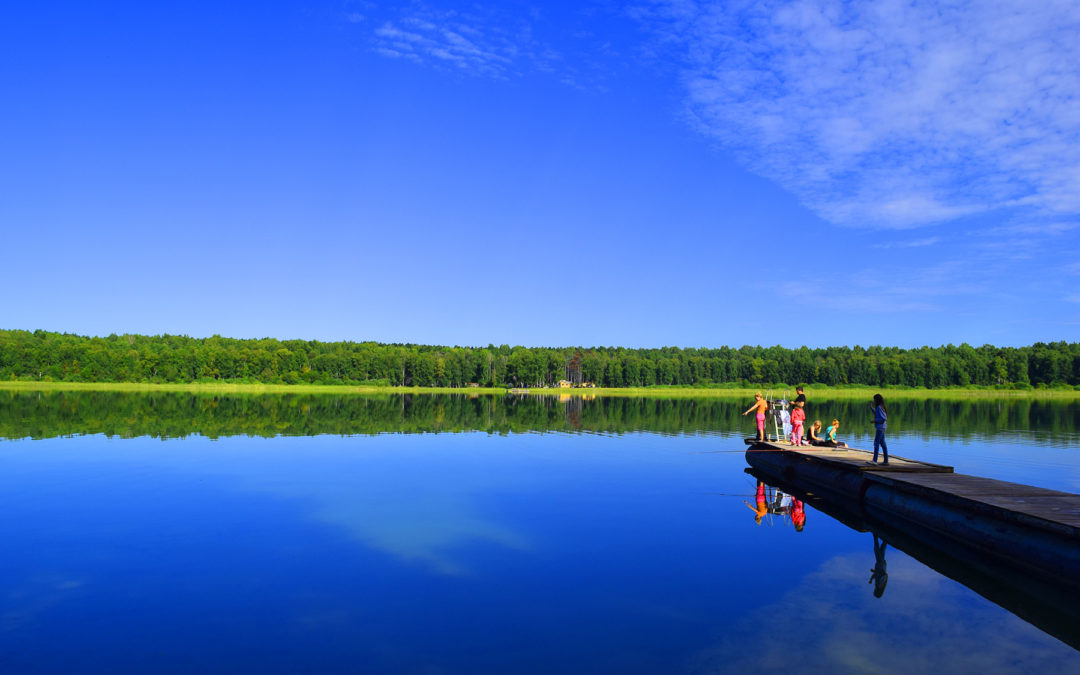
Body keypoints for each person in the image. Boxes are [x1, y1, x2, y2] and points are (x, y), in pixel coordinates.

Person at [869, 393, 889, 465]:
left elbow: (884, 418)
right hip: (882, 428)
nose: (874, 401)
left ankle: (875, 461)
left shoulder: (880, 407)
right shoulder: (879, 407)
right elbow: (877, 414)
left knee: (876, 443)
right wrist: (871, 408)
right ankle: (886, 461)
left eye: (874, 400)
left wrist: (874, 421)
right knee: (882, 443)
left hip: (880, 428)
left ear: (877, 400)